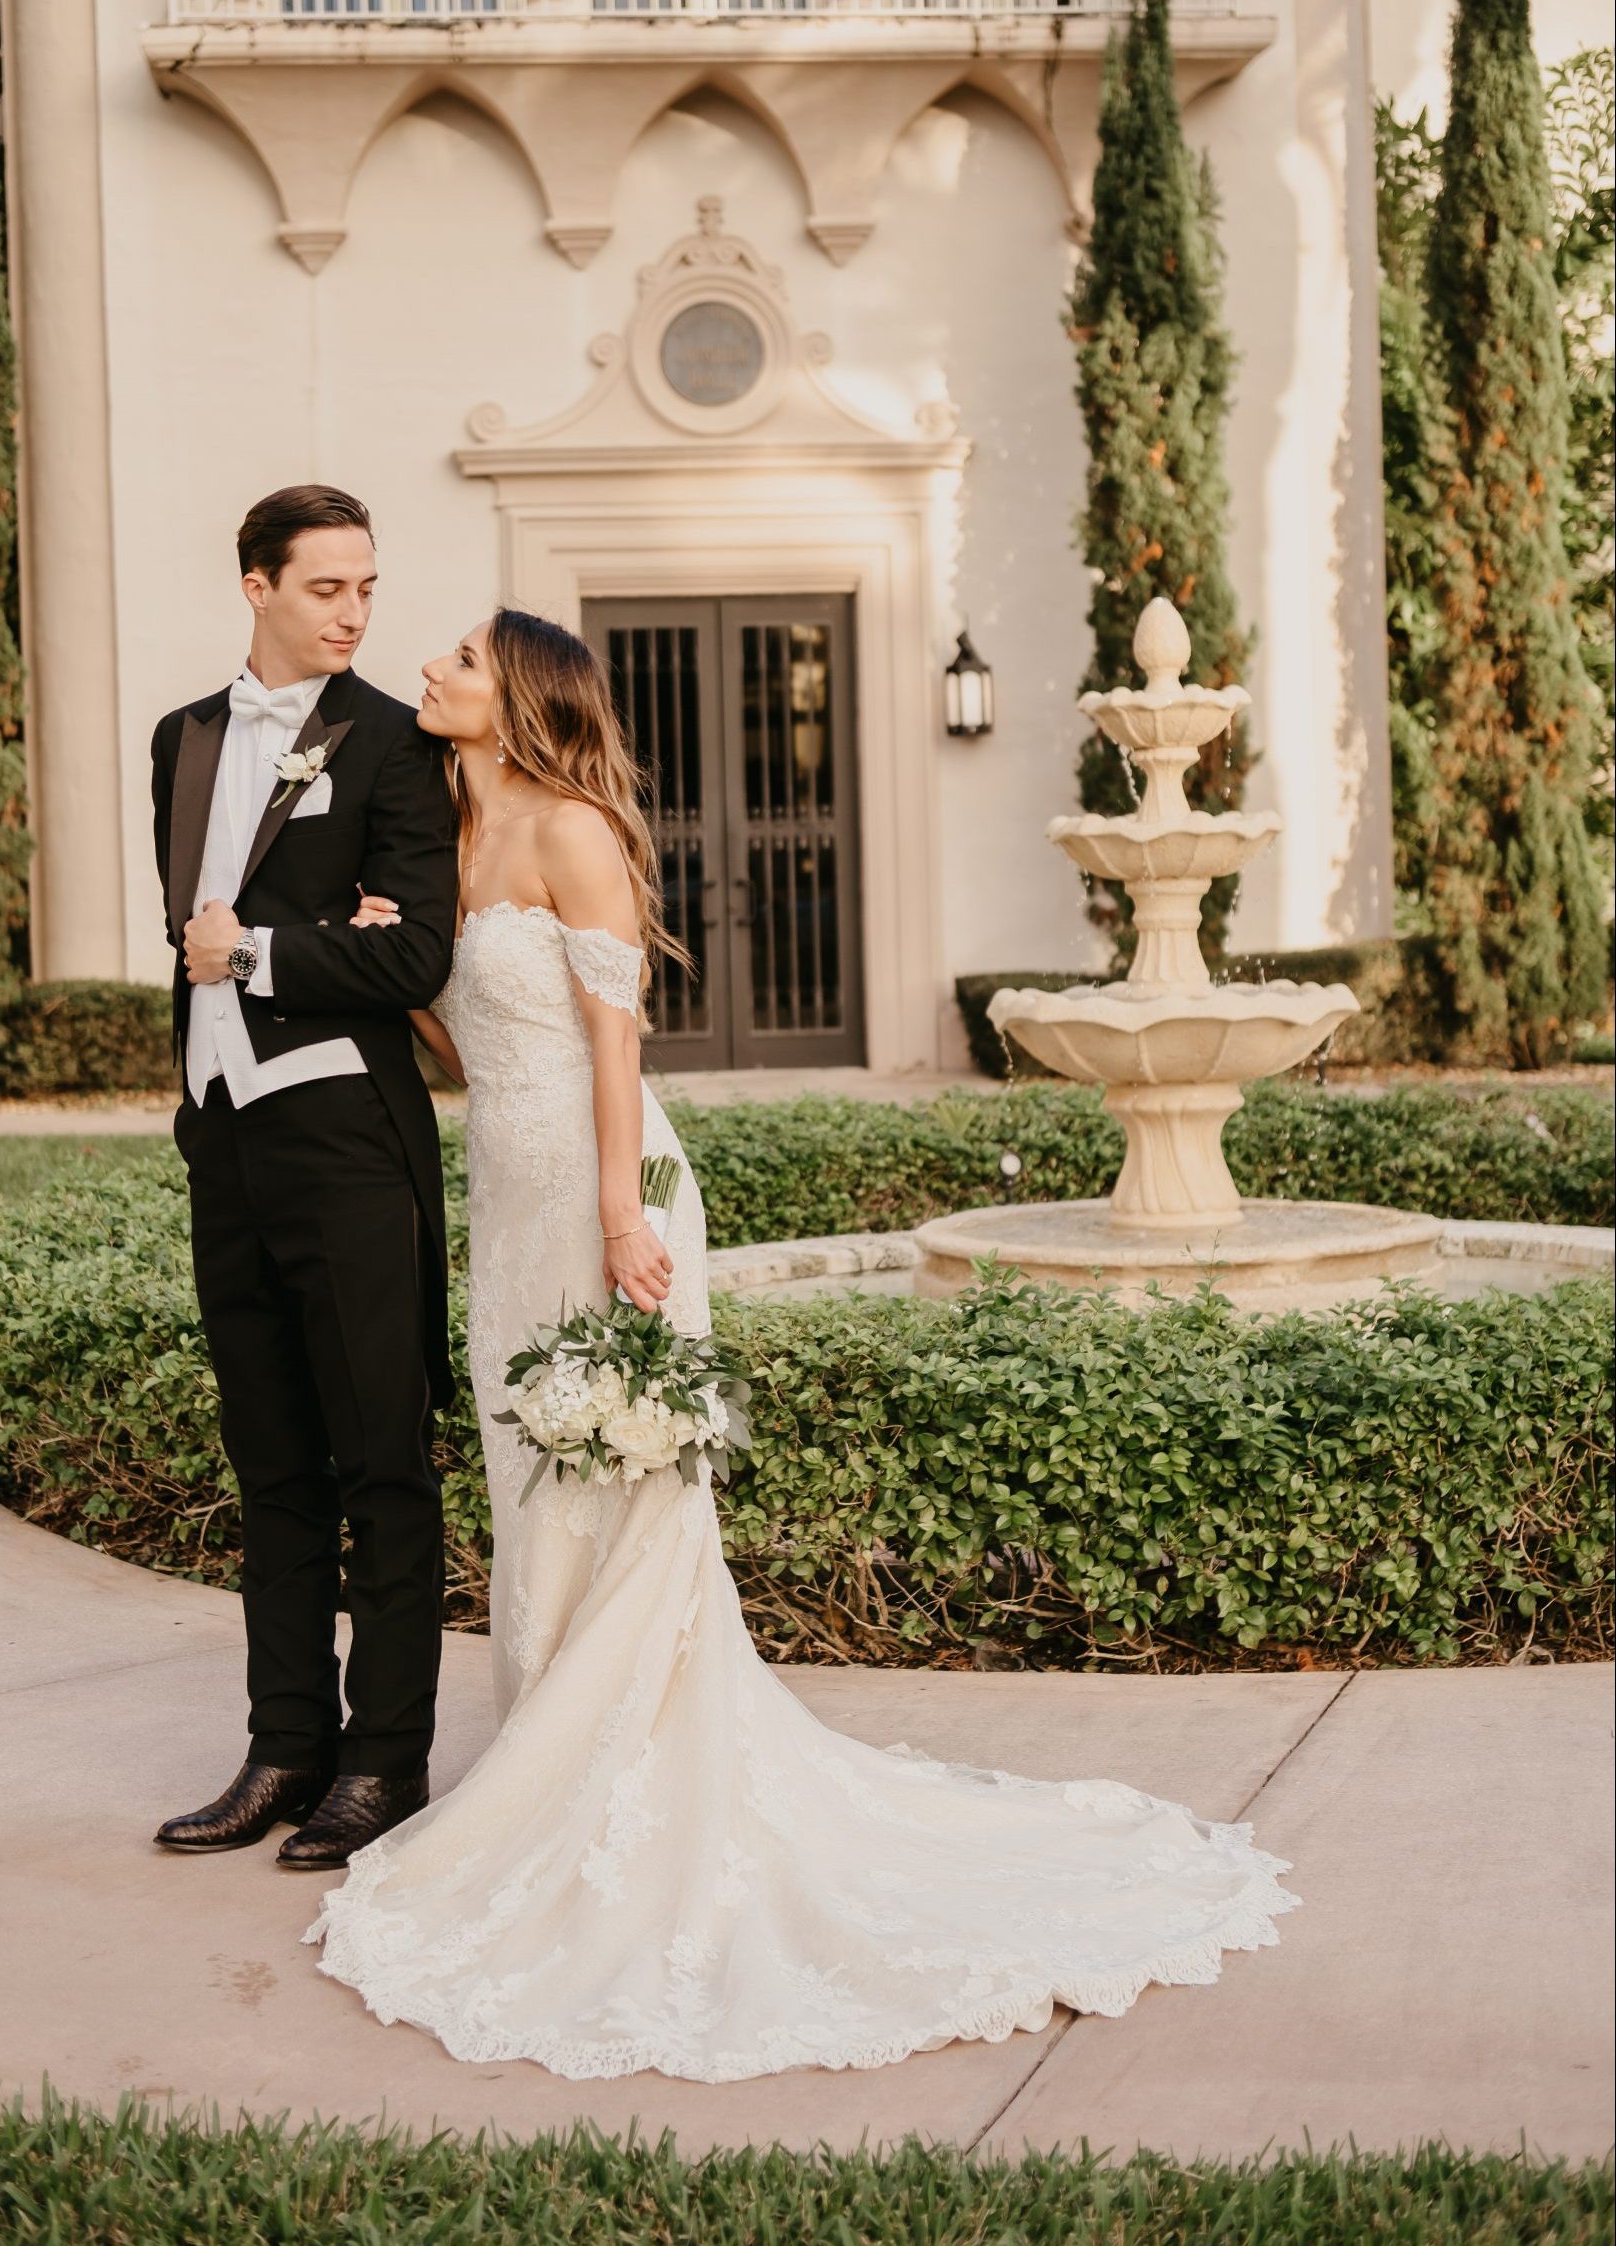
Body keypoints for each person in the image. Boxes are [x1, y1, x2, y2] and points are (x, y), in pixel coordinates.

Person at [303, 605, 1299, 2082]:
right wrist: (402, 958)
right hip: (508, 1203)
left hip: (611, 1194)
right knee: (535, 1480)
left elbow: (613, 1051)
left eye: (457, 658)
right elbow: (470, 1045)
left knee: (624, 1492)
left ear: (515, 696)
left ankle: (609, 1790)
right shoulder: (449, 826)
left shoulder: (574, 827)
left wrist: (623, 1217)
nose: (431, 671)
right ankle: (550, 1771)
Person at [149, 486, 459, 1871]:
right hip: (226, 1137)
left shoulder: (394, 742)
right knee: (272, 1457)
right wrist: (307, 931)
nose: (353, 611)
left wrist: (267, 952)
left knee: (381, 1454)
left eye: (368, 588)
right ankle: (285, 1747)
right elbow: (189, 925)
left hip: (346, 1138)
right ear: (257, 586)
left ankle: (384, 1759)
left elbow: (415, 958)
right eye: (328, 586)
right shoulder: (185, 740)